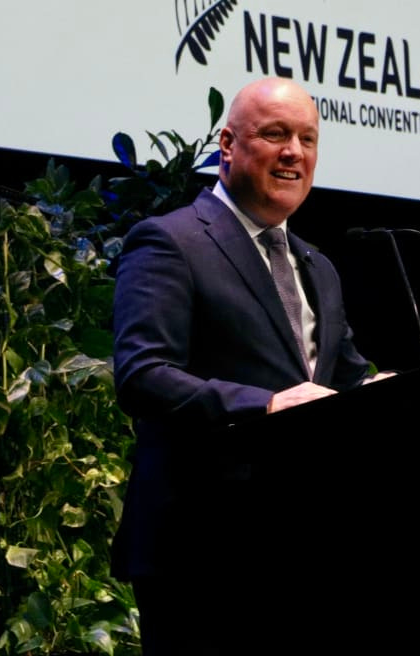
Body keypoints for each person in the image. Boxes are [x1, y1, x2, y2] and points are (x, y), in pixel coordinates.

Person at [111, 76, 393, 654]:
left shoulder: (318, 266)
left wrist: (391, 391)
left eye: (307, 139)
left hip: (304, 549)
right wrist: (265, 405)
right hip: (200, 551)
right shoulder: (170, 241)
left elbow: (343, 382)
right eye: (275, 134)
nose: (294, 152)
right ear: (228, 144)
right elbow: (143, 374)